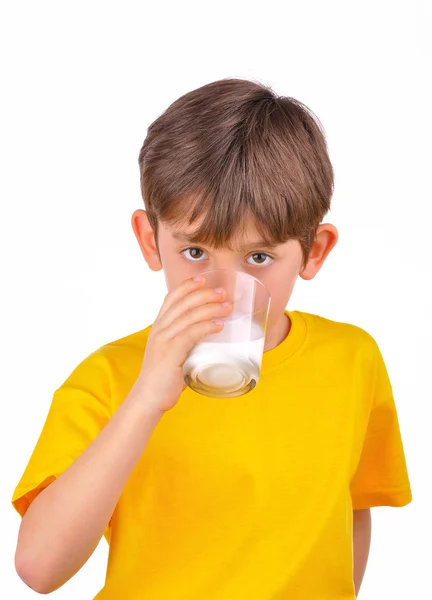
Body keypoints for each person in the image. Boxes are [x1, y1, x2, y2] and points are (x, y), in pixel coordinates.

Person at [12, 78, 412, 599]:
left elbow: (351, 512)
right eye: (195, 253)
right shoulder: (110, 380)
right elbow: (39, 569)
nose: (223, 292)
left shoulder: (354, 361)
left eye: (259, 258)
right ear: (149, 239)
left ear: (315, 252)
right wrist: (147, 399)